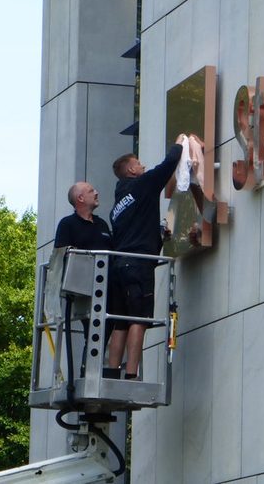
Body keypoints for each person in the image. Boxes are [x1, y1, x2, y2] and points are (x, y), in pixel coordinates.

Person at [107, 135, 185, 380]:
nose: (143, 166)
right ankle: (131, 374)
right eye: (139, 163)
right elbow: (169, 163)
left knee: (120, 322)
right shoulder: (142, 185)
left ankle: (111, 373)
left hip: (119, 265)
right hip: (139, 265)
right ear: (131, 169)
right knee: (138, 320)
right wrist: (181, 141)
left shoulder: (119, 200)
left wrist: (158, 235)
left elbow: (134, 229)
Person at [53, 181, 112, 250]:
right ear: (81, 198)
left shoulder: (102, 223)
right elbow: (60, 257)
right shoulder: (67, 224)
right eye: (91, 191)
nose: (96, 193)